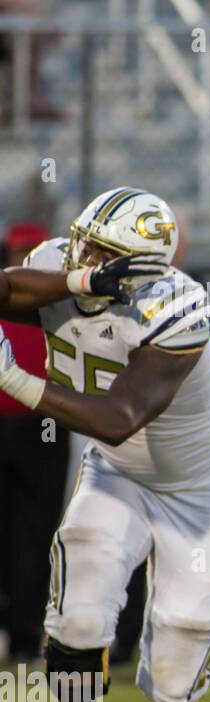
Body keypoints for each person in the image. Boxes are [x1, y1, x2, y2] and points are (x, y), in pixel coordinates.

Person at [0, 188, 210, 702]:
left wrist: (10, 377)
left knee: (180, 646)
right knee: (78, 616)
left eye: (106, 254)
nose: (86, 257)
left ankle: (171, 696)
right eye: (85, 241)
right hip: (115, 475)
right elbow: (8, 291)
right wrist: (79, 272)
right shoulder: (62, 261)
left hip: (201, 485)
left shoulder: (177, 304)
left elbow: (119, 416)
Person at [0, 221, 67, 665]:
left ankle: (26, 631)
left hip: (46, 423)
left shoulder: (56, 301)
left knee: (39, 533)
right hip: (9, 422)